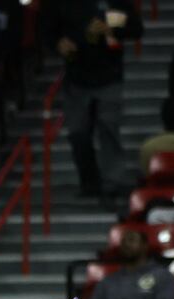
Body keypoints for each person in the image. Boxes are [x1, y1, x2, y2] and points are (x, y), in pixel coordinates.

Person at [58, 1, 142, 204]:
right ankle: (89, 183)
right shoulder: (63, 5)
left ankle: (113, 183)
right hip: (77, 78)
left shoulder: (117, 2)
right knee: (78, 133)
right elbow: (49, 30)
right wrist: (60, 43)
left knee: (108, 127)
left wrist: (111, 30)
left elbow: (136, 29)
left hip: (108, 76)